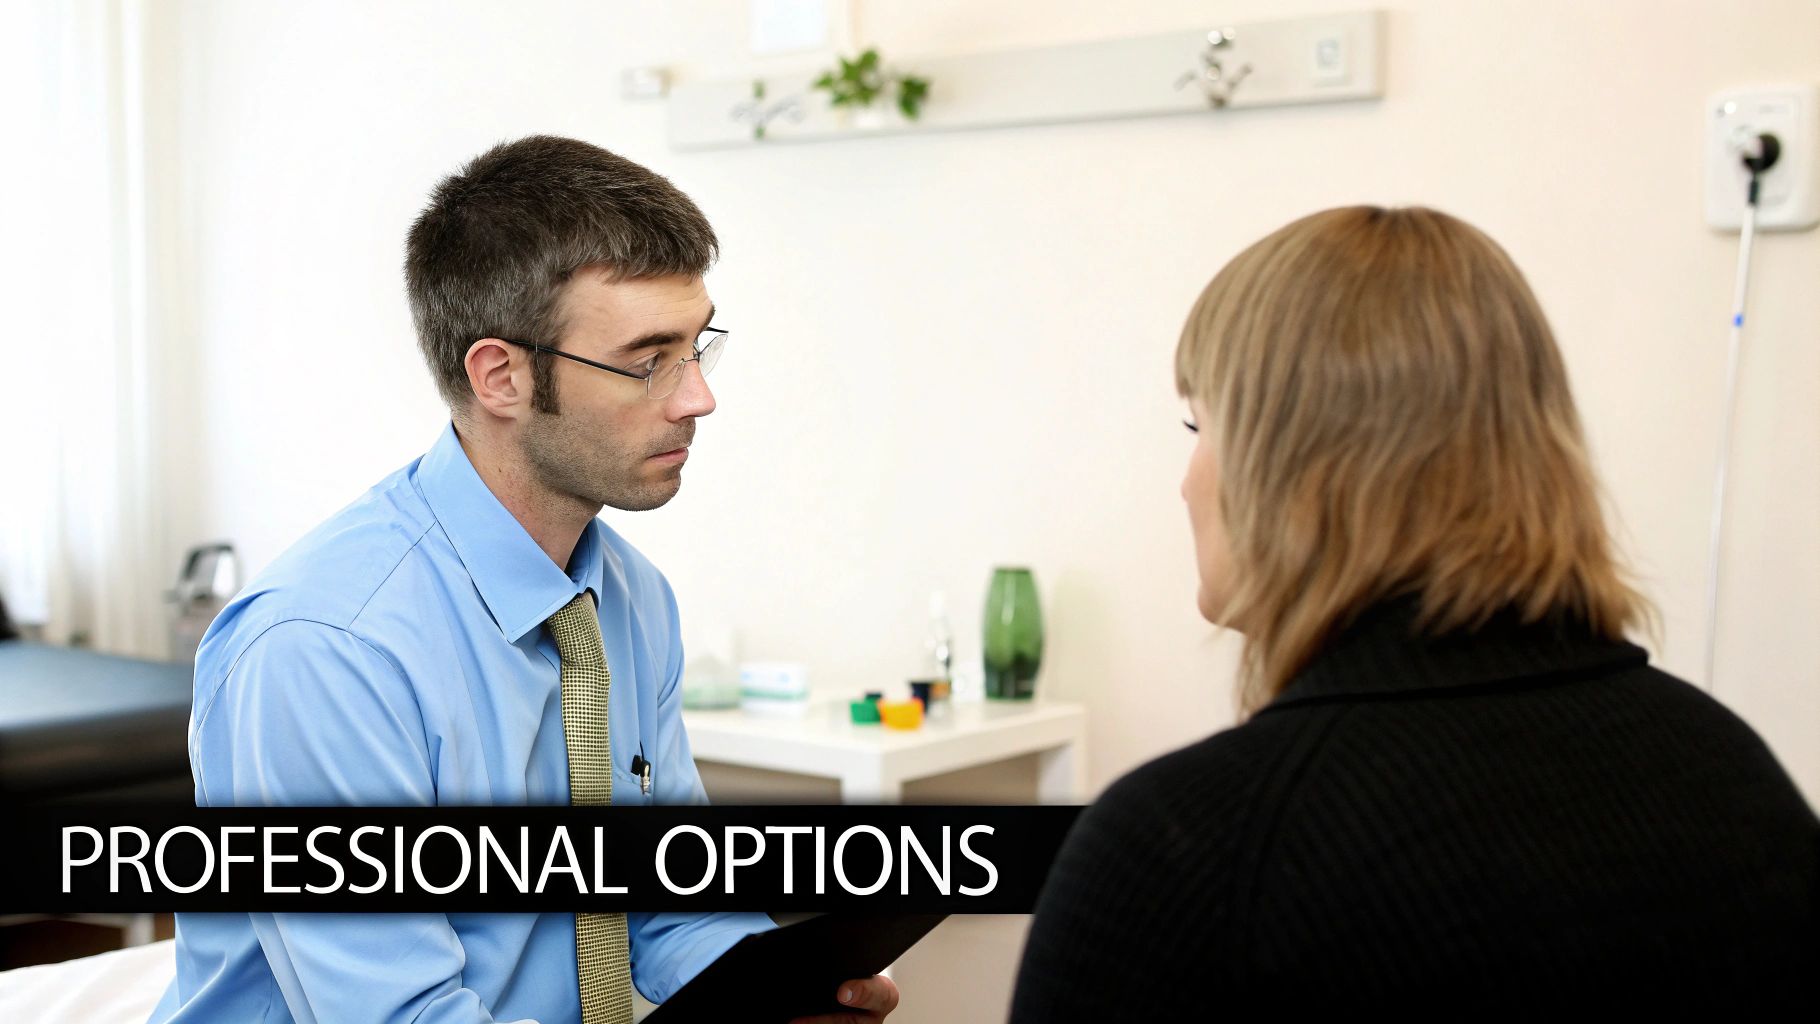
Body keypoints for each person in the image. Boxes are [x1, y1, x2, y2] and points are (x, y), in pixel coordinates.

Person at [151, 136, 898, 1024]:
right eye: (648, 358)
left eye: (699, 347)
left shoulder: (630, 601)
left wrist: (776, 989)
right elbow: (401, 1014)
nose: (697, 397)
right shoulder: (325, 651)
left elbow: (666, 903)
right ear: (500, 375)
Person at [1010, 206, 1819, 1015]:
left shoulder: (1189, 854)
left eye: (1200, 425)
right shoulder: (1729, 775)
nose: (1186, 479)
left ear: (1292, 468)